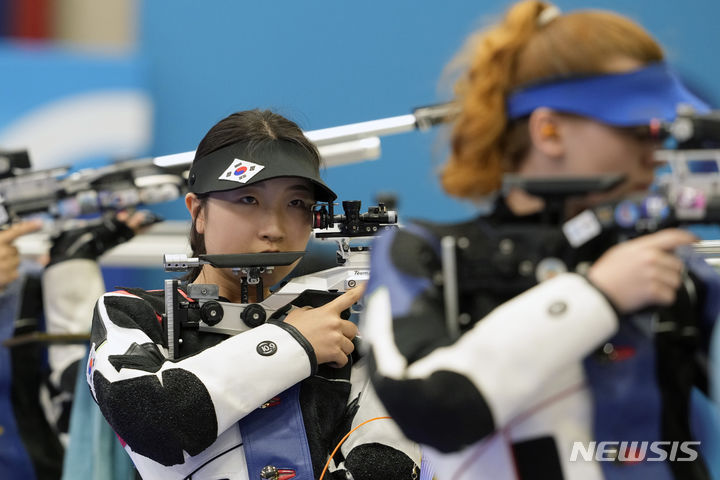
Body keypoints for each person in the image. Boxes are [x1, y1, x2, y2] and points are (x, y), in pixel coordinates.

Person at [362, 2, 719, 479]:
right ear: (549, 130)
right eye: (640, 129)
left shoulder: (663, 262)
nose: (656, 153)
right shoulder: (424, 252)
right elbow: (430, 406)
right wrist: (596, 296)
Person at [86, 109, 421, 480]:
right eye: (248, 199)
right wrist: (295, 343)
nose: (274, 228)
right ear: (198, 211)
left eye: (297, 204)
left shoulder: (339, 334)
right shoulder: (131, 313)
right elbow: (154, 424)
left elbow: (387, 462)